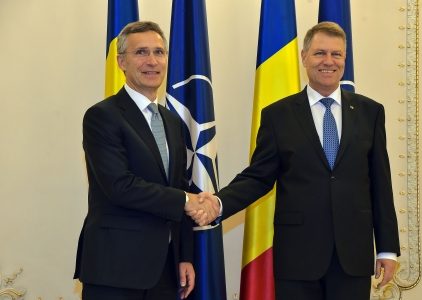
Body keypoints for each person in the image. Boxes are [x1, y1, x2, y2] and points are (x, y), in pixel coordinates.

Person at [200, 21, 400, 300]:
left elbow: (380, 182)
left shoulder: (370, 112)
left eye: (336, 54)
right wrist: (219, 203)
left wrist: (388, 249)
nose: (328, 61)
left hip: (353, 255)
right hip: (298, 256)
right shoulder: (278, 115)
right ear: (304, 57)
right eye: (319, 53)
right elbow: (258, 177)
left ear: (345, 59)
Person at [74, 21, 218, 300]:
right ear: (121, 62)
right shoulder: (102, 116)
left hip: (164, 270)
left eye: (159, 52)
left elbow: (178, 185)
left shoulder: (172, 121)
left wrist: (183, 255)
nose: (152, 61)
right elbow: (120, 186)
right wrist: (190, 201)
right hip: (114, 268)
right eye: (141, 52)